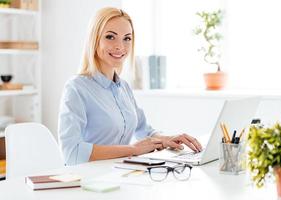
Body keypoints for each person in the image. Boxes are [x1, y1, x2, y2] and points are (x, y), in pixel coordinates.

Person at [58, 7, 202, 165]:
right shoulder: (76, 88)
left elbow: (144, 131)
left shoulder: (123, 87)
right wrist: (132, 150)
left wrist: (168, 139)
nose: (120, 46)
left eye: (127, 38)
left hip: (120, 174)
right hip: (88, 179)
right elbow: (72, 152)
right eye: (110, 37)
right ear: (94, 39)